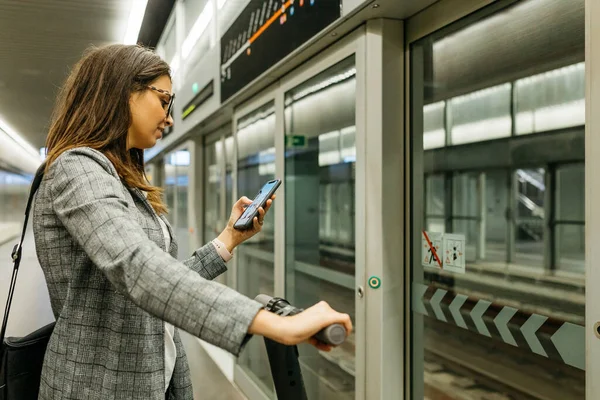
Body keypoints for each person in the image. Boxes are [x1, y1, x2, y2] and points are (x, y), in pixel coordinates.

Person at [32, 44, 352, 400]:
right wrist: (274, 323)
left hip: (157, 379)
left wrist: (227, 240)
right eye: (164, 99)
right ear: (122, 92)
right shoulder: (75, 169)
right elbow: (138, 268)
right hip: (99, 387)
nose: (169, 117)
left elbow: (161, 280)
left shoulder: (119, 178)